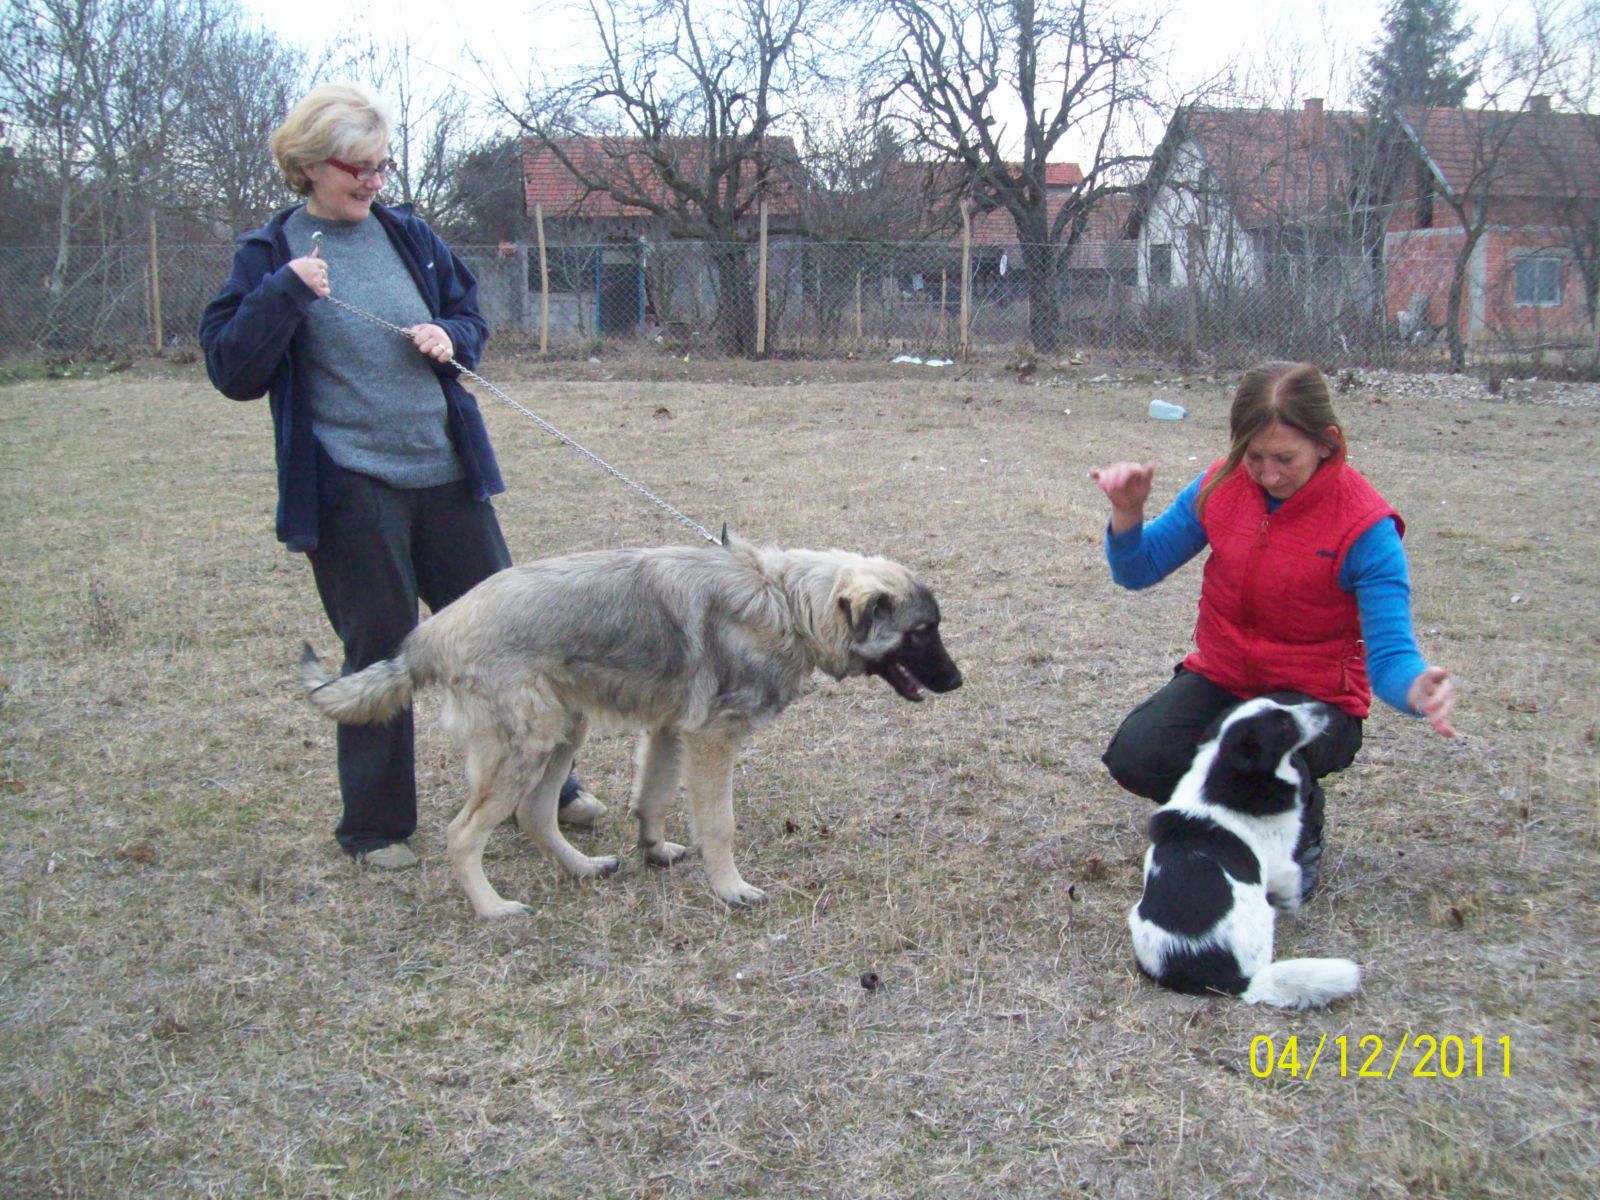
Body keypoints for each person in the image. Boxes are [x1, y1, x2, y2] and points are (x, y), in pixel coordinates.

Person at [200, 83, 603, 870]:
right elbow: (232, 368)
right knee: (383, 650)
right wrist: (286, 293)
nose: (375, 180)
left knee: (513, 637)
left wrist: (447, 334)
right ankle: (376, 827)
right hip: (351, 487)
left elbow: (472, 320)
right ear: (311, 165)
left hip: (448, 475)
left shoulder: (409, 235)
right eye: (360, 167)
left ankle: (545, 792)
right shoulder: (268, 252)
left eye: (383, 165)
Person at [1091, 361, 1456, 899]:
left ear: (1327, 443)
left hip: (1316, 703)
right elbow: (1138, 569)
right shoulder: (1221, 485)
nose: (1267, 474)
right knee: (1137, 754)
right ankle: (1240, 817)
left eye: (1285, 458)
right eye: (1253, 456)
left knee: (1259, 741)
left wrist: (1416, 687)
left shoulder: (1366, 527)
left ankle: (1298, 832)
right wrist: (1128, 513)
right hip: (1224, 679)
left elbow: (1390, 657)